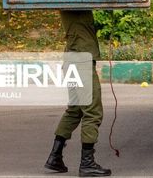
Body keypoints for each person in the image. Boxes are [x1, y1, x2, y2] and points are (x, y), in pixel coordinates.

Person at [44, 10, 111, 177]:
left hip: (72, 59)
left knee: (74, 110)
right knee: (93, 112)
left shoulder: (69, 1)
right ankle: (87, 163)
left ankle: (55, 157)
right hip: (82, 61)